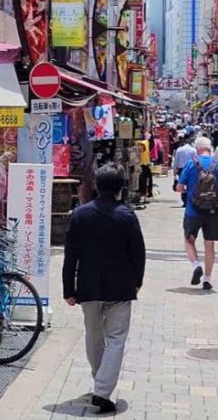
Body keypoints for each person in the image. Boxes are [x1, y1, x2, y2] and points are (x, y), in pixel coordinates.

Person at [62, 164, 146, 415]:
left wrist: (69, 288)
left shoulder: (80, 214)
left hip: (88, 286)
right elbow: (138, 253)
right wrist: (137, 281)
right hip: (120, 288)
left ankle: (100, 383)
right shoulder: (127, 215)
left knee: (94, 336)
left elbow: (70, 256)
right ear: (121, 188)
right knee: (116, 339)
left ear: (96, 186)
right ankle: (102, 390)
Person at [176, 137, 218, 290]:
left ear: (197, 149)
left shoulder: (191, 164)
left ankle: (196, 264)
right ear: (210, 149)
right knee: (209, 244)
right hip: (213, 211)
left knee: (189, 240)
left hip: (193, 210)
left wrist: (188, 191)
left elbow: (179, 188)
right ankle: (207, 278)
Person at [171, 137, 198, 208]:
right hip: (191, 168)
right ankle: (190, 200)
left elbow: (176, 160)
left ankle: (184, 201)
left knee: (182, 184)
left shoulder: (179, 150)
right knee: (191, 185)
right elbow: (196, 160)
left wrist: (174, 170)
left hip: (181, 169)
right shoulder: (193, 150)